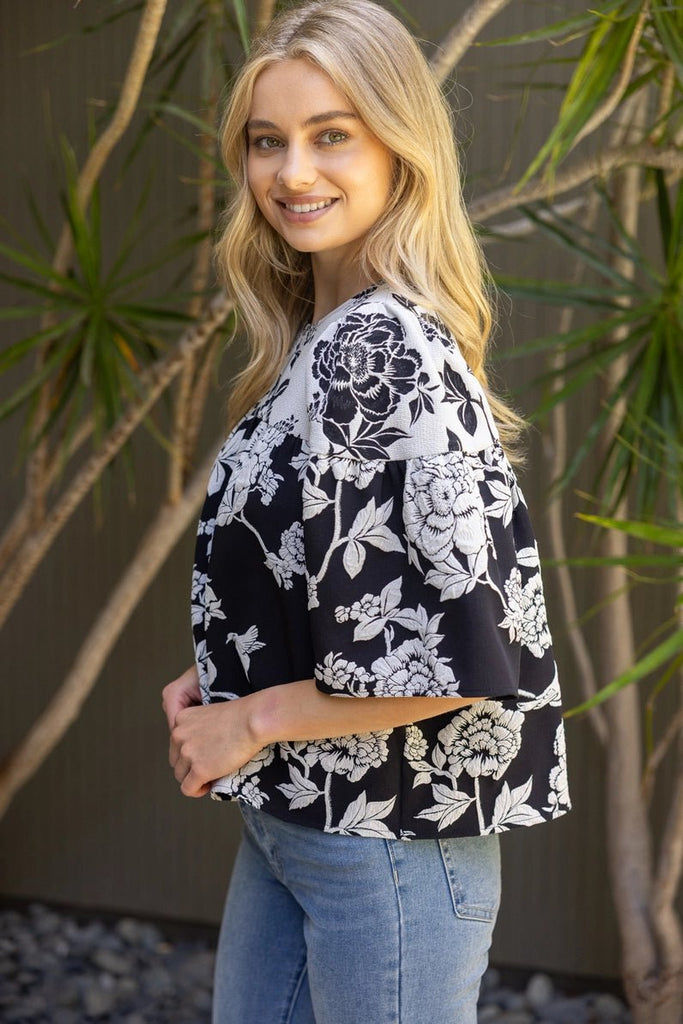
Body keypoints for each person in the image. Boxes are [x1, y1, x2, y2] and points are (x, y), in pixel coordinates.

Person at [162, 2, 571, 1021]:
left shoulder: (380, 345)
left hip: (386, 846)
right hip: (305, 819)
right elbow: (353, 587)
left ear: (399, 146)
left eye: (330, 134)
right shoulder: (326, 334)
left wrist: (247, 720)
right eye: (267, 141)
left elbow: (454, 653)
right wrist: (231, 667)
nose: (291, 172)